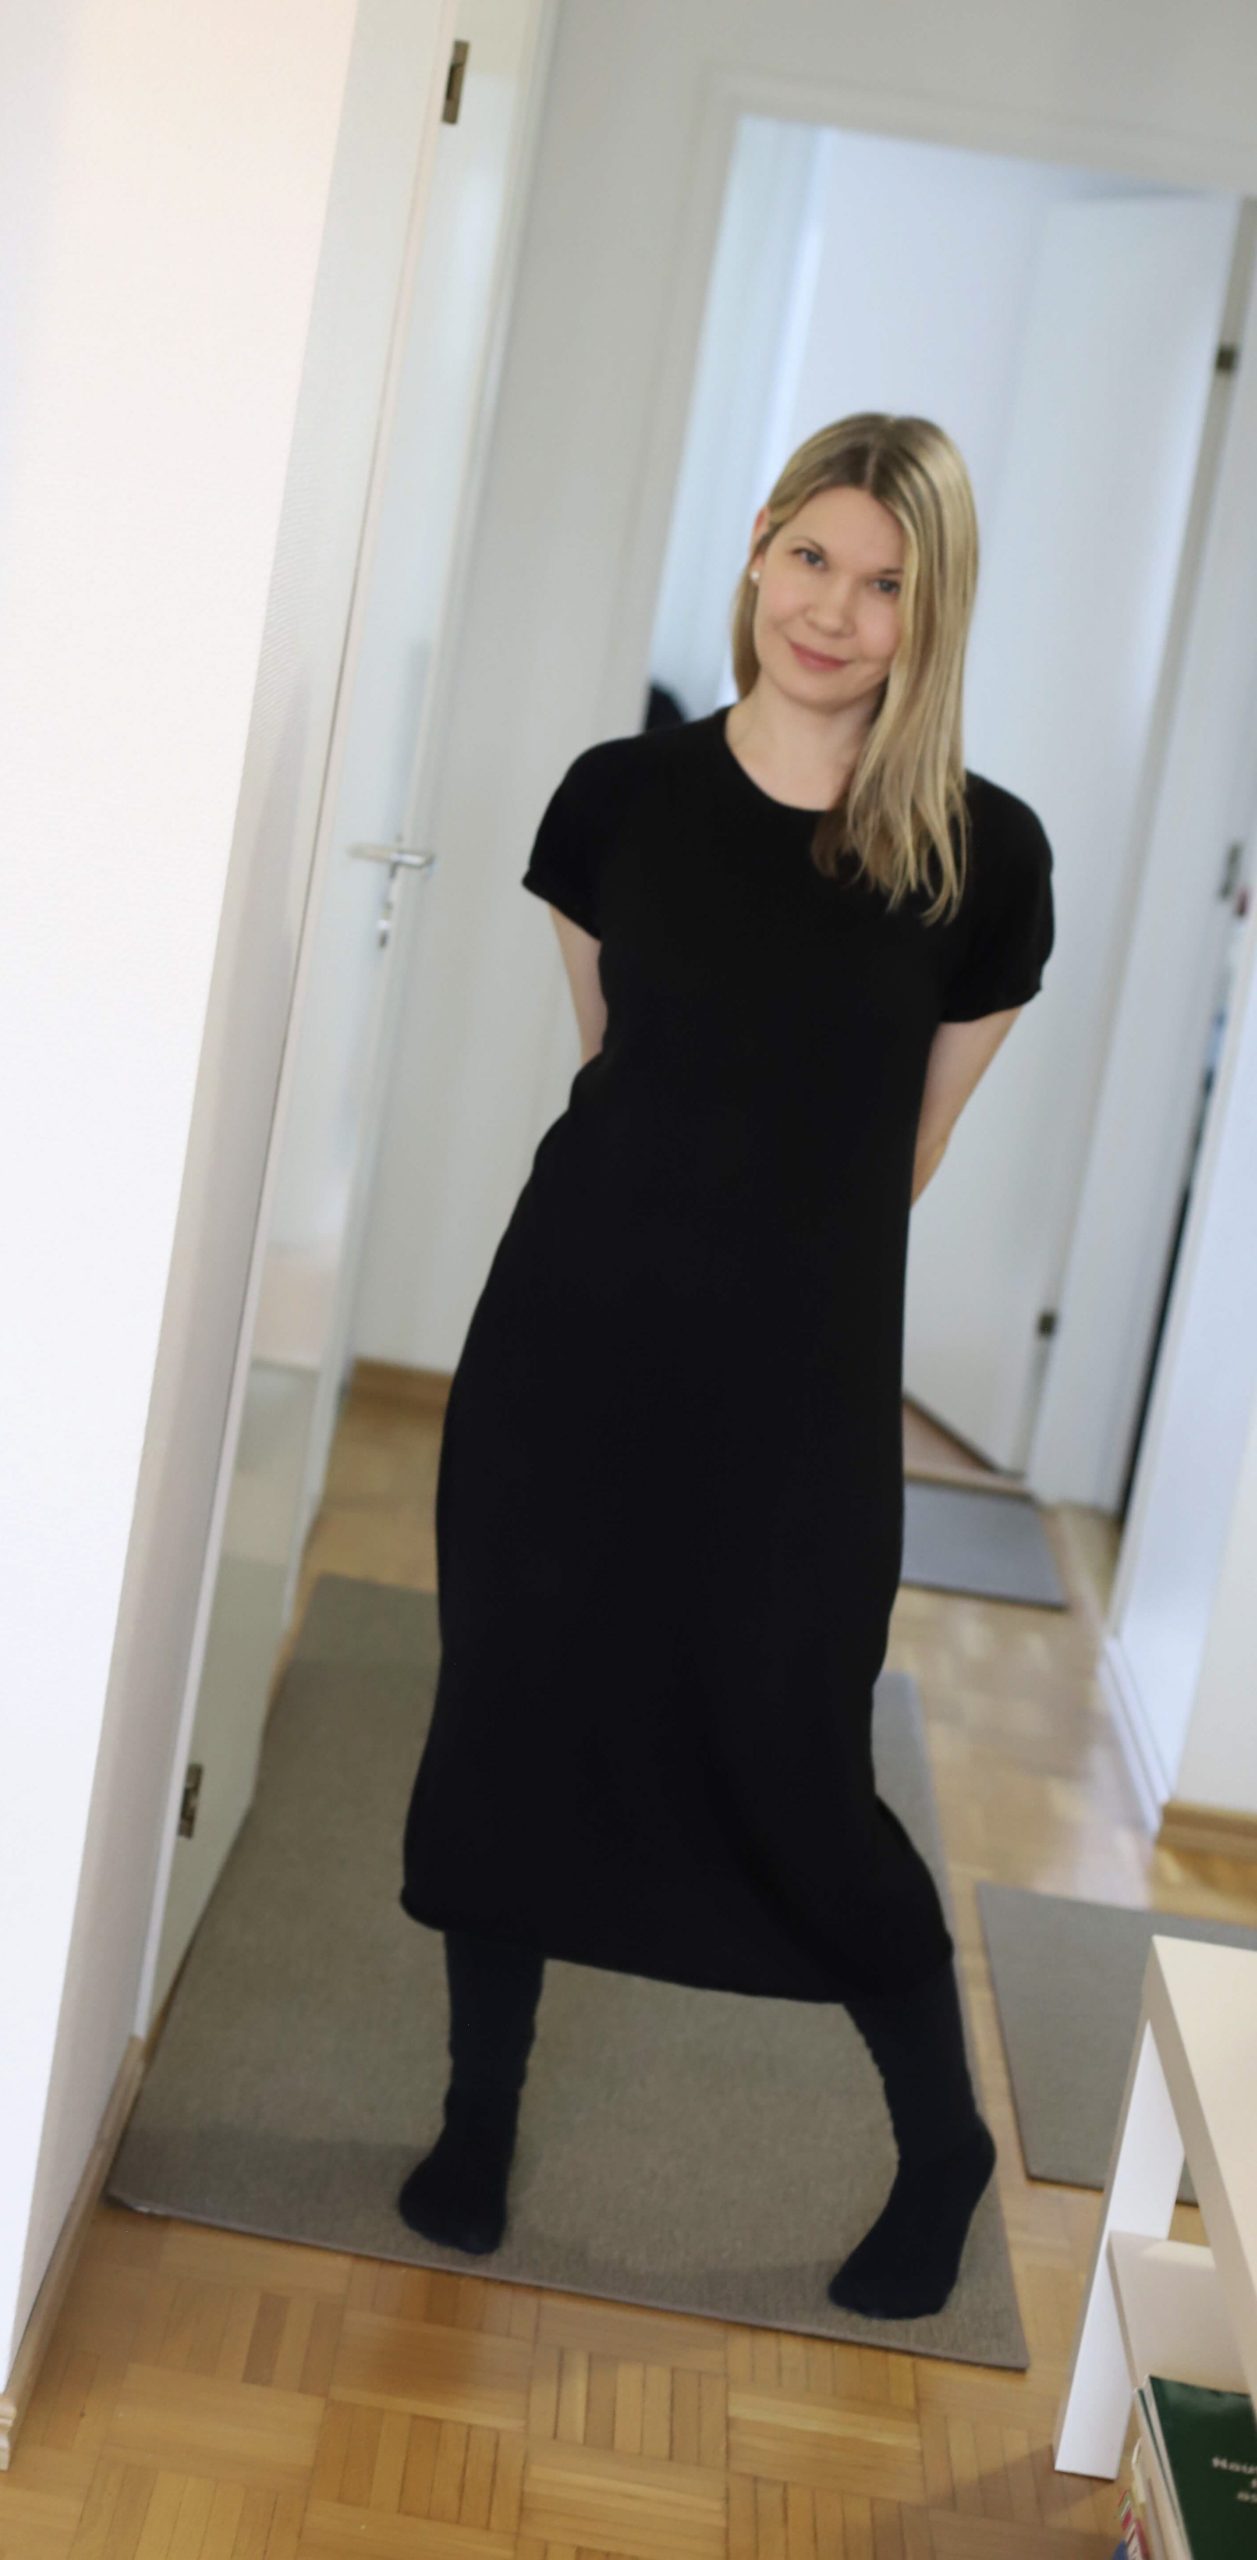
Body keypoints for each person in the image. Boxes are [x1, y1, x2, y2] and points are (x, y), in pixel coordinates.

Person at [395, 412, 1056, 2321]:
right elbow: (615, 1070)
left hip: (793, 1395)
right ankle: (477, 2118)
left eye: (884, 584)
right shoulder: (616, 798)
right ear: (758, 544)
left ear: (930, 616)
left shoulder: (982, 859)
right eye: (810, 558)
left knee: (792, 1761)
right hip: (568, 1352)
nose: (831, 612)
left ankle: (941, 2146)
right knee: (513, 1718)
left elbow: (904, 1151)